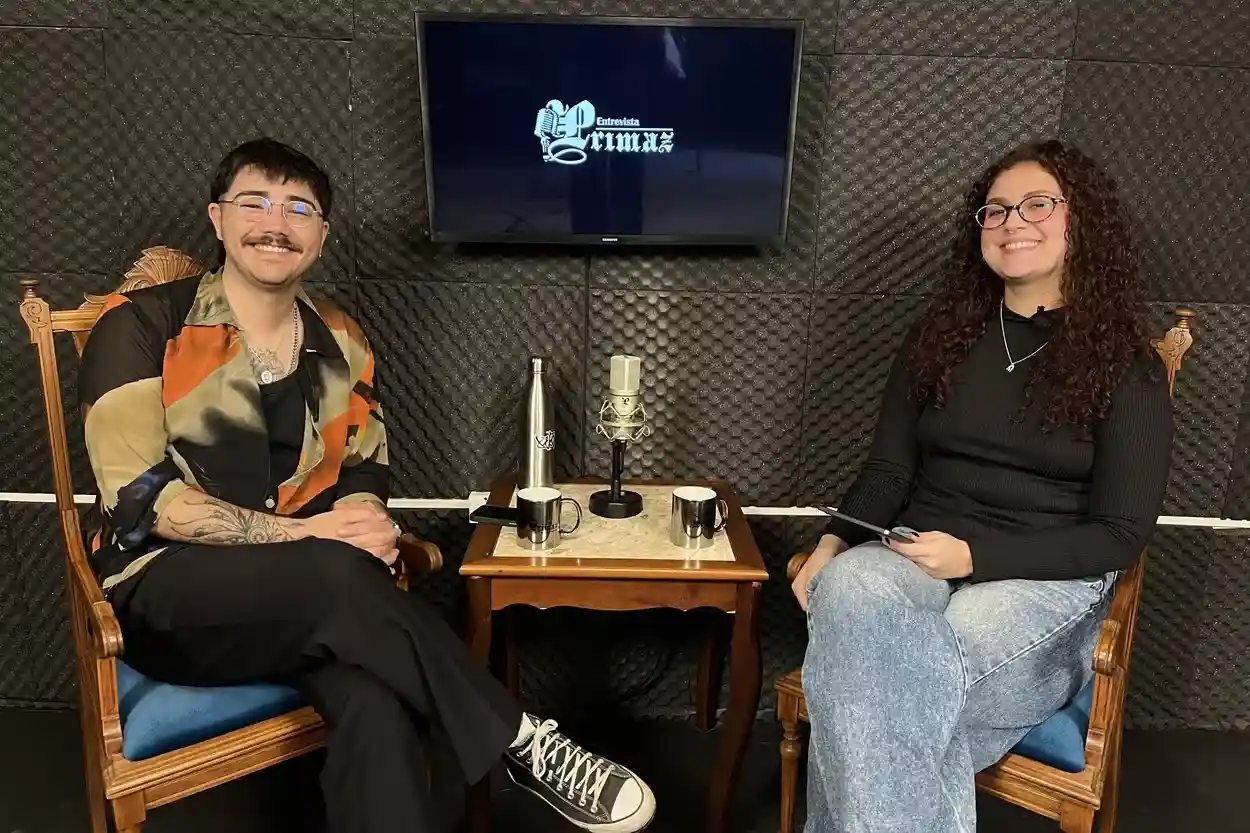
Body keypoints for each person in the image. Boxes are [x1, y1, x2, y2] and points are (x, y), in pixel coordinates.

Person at [78, 137, 656, 833]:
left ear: (321, 235)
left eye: (299, 209)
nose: (275, 223)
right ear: (217, 217)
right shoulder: (139, 325)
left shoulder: (342, 338)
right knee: (335, 573)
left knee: (375, 700)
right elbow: (144, 502)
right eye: (255, 202)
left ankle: (506, 745)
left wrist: (362, 520)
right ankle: (522, 742)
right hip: (170, 597)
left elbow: (363, 468)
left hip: (316, 605)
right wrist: (312, 534)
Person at [790, 139, 1174, 833]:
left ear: (1081, 220)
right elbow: (888, 470)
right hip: (918, 549)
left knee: (878, 685)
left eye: (1037, 205)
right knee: (848, 589)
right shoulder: (939, 336)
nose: (1011, 222)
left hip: (1042, 576)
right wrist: (831, 544)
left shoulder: (1126, 366)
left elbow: (1120, 535)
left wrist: (974, 557)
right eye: (995, 210)